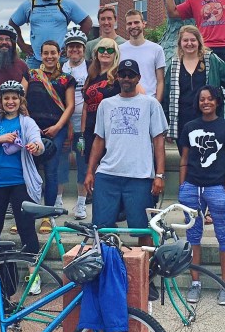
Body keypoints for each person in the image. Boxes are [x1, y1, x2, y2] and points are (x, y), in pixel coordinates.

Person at [84, 59, 167, 232]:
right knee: (102, 229)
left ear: (138, 78)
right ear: (117, 77)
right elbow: (99, 140)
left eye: (131, 75)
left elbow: (158, 140)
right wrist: (90, 171)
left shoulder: (151, 104)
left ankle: (144, 260)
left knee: (143, 229)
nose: (126, 78)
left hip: (140, 175)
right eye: (122, 74)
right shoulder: (106, 105)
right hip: (108, 174)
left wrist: (159, 174)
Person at [0, 80, 44, 282]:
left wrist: (35, 147)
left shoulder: (27, 122)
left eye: (14, 98)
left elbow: (38, 143)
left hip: (20, 182)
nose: (11, 101)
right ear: (1, 101)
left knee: (26, 228)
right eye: (7, 98)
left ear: (20, 99)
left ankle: (34, 276)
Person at [178, 86, 225, 304]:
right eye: (202, 99)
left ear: (217, 102)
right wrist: (182, 185)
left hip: (216, 186)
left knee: (224, 235)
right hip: (192, 186)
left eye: (210, 99)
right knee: (193, 236)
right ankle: (195, 283)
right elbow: (184, 158)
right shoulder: (190, 127)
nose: (206, 103)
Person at [27, 40, 76, 232]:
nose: (49, 56)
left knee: (51, 171)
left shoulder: (66, 79)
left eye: (53, 53)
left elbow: (70, 105)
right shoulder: (31, 75)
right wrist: (30, 125)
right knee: (30, 171)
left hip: (56, 128)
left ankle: (47, 215)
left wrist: (58, 127)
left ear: (59, 54)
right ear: (40, 54)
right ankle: (28, 212)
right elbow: (21, 98)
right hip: (33, 128)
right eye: (45, 53)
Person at [163, 25, 225, 142]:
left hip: (207, 118)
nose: (189, 43)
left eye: (193, 40)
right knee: (186, 158)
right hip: (183, 121)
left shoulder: (212, 60)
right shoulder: (174, 65)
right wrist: (168, 125)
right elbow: (167, 95)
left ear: (199, 42)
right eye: (185, 40)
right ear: (180, 43)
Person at [9, 0, 92, 68]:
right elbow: (12, 24)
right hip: (36, 58)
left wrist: (74, 43)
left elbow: (87, 22)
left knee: (63, 82)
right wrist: (22, 44)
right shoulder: (30, 5)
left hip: (61, 58)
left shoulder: (66, 3)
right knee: (32, 82)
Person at [59, 29, 89, 219]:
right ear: (66, 49)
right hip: (64, 124)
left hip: (84, 125)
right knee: (60, 164)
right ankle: (57, 201)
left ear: (84, 49)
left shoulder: (91, 67)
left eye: (78, 46)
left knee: (83, 164)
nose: (75, 50)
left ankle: (81, 204)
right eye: (71, 46)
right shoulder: (61, 69)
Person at [81, 38, 121, 163]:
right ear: (96, 53)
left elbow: (139, 94)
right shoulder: (91, 75)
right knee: (91, 169)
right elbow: (85, 106)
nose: (105, 52)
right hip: (90, 128)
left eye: (110, 50)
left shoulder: (119, 75)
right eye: (102, 49)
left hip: (110, 129)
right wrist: (82, 133)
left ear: (115, 54)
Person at [118, 8, 166, 100]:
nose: (133, 26)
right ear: (126, 26)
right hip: (126, 101)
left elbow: (160, 81)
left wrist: (157, 104)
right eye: (129, 23)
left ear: (143, 24)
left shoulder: (156, 49)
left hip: (149, 100)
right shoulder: (119, 49)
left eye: (136, 22)